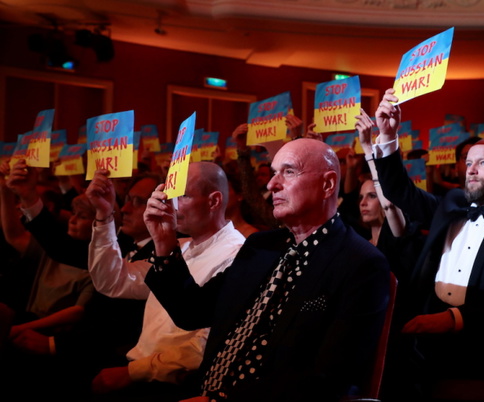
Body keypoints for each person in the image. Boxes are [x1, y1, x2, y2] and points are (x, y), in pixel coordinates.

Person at [143, 138, 391, 402]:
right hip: (198, 390)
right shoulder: (260, 246)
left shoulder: (360, 263)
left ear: (328, 184)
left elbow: (330, 377)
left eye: (289, 171)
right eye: (273, 173)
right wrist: (165, 244)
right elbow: (192, 311)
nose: (272, 184)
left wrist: (221, 400)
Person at [371, 88, 484, 401]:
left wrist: (452, 320)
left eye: (482, 163)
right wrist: (388, 136)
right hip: (422, 327)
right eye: (468, 162)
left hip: (478, 339)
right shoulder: (453, 203)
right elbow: (400, 191)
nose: (470, 169)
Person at [85, 162, 246, 401]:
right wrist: (105, 215)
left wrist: (133, 372)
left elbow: (206, 343)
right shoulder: (180, 246)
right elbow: (113, 281)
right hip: (137, 369)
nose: (171, 205)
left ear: (213, 201)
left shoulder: (238, 255)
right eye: (170, 196)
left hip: (172, 385)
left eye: (182, 196)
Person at [0, 159, 97, 399]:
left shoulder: (98, 263)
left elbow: (78, 312)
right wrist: (7, 189)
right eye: (73, 214)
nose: (72, 219)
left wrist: (20, 328)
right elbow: (14, 234)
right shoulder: (52, 248)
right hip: (28, 319)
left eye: (82, 216)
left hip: (56, 333)